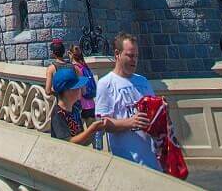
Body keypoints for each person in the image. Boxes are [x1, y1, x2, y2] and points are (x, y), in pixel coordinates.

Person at [95, 32, 160, 170]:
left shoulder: (143, 81)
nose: (134, 60)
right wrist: (130, 122)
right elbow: (103, 124)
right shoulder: (105, 84)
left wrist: (161, 110)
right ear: (117, 54)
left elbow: (155, 115)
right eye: (130, 55)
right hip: (129, 164)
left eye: (136, 56)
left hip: (154, 162)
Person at [50, 67, 107, 145]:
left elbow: (82, 141)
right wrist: (91, 129)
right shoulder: (58, 113)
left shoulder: (75, 110)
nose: (81, 88)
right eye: (78, 87)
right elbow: (67, 142)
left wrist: (96, 131)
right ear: (68, 91)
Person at [68, 45, 97, 122]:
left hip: (80, 105)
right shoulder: (84, 66)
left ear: (70, 54)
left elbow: (80, 87)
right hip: (90, 103)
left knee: (78, 132)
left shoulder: (75, 68)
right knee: (91, 131)